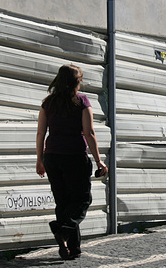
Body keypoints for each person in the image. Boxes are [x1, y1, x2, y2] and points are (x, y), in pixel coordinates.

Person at [36, 64, 108, 260]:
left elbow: (41, 133)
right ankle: (62, 228)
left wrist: (39, 160)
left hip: (52, 157)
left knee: (63, 202)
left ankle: (70, 248)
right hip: (75, 156)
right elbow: (89, 132)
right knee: (82, 200)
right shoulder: (82, 101)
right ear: (76, 82)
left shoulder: (47, 103)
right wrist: (99, 161)